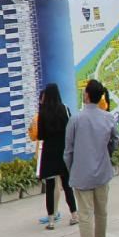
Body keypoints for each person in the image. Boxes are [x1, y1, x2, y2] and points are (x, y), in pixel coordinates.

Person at [65, 77, 119, 237]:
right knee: (101, 211)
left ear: (87, 95)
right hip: (103, 171)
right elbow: (115, 141)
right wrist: (107, 154)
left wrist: (72, 169)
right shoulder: (108, 117)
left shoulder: (75, 119)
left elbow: (68, 151)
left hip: (81, 174)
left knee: (85, 214)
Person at [30, 84, 77, 228]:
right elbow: (70, 129)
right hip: (63, 151)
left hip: (49, 153)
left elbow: (40, 135)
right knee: (67, 185)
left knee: (50, 188)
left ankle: (51, 220)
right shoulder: (65, 109)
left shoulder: (42, 113)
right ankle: (74, 215)